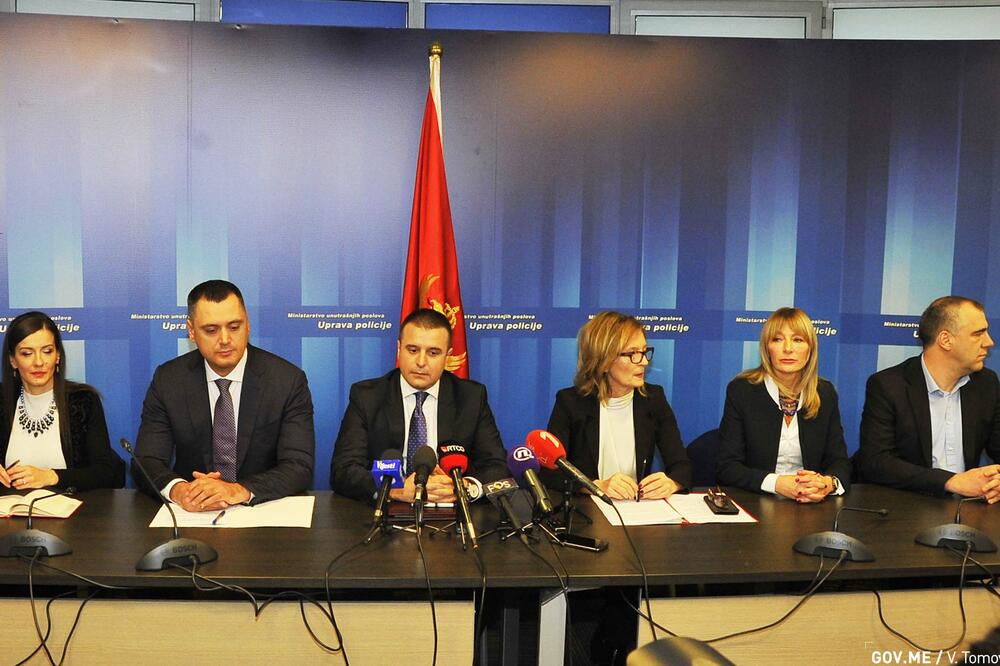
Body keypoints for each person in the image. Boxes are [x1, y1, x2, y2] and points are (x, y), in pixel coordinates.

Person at [134, 280, 314, 511]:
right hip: (194, 514)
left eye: (235, 327)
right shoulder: (169, 380)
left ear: (248, 324)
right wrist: (181, 491)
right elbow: (146, 461)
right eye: (211, 330)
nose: (225, 340)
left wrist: (237, 490)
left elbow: (299, 465)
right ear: (191, 331)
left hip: (261, 510)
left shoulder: (286, 381)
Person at [331, 308, 508, 503]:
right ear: (399, 349)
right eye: (413, 350)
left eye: (433, 353)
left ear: (447, 356)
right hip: (389, 509)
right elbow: (343, 470)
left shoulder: (471, 397)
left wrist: (462, 487)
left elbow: (497, 467)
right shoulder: (367, 397)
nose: (421, 362)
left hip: (450, 509)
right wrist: (393, 490)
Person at [858, 296, 1000, 500]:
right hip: (907, 506)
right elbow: (876, 462)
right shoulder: (888, 385)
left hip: (970, 507)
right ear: (945, 340)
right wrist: (950, 481)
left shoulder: (986, 384)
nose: (989, 342)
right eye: (978, 334)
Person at [546, 311, 691, 500]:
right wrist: (595, 486)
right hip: (588, 510)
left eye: (644, 351)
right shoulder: (570, 402)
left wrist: (672, 483)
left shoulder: (653, 399)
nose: (644, 362)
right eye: (632, 354)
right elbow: (550, 473)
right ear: (604, 361)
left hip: (637, 511)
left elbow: (682, 465)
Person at [716, 307, 851, 501]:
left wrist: (827, 484)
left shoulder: (825, 393)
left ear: (810, 348)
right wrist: (776, 483)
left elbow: (839, 461)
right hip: (756, 501)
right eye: (778, 339)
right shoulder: (742, 391)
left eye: (798, 340)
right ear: (766, 348)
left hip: (812, 502)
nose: (788, 348)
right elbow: (727, 467)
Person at [0, 311, 123, 491]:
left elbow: (104, 473)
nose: (39, 362)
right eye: (27, 353)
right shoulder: (2, 399)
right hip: (11, 507)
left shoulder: (83, 400)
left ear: (57, 355)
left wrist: (52, 476)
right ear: (13, 360)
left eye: (47, 351)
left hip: (71, 506)